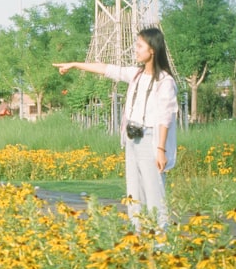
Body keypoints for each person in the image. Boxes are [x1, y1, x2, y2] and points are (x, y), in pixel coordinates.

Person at [53, 27, 178, 232]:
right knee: (135, 193)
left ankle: (161, 244)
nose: (135, 50)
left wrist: (161, 150)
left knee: (155, 193)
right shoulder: (136, 75)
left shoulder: (165, 81)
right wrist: (75, 64)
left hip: (150, 140)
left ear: (152, 50)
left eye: (139, 46)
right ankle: (138, 238)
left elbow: (165, 118)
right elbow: (106, 68)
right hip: (132, 139)